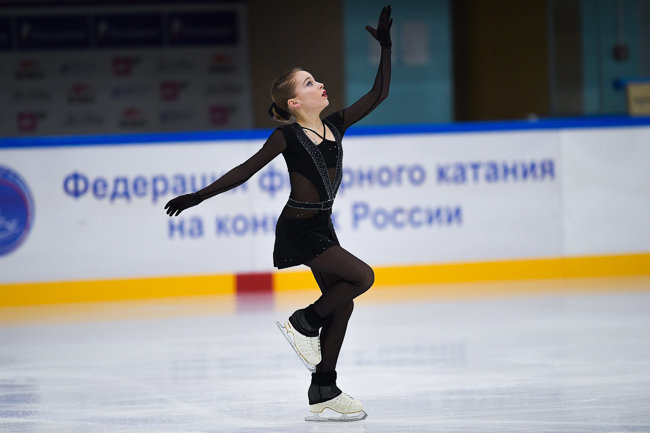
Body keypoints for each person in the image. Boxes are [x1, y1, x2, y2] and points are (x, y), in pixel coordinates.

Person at [165, 5, 392, 422]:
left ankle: (324, 388)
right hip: (299, 229)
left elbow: (379, 94)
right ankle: (302, 322)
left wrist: (387, 48)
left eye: (316, 79)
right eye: (310, 82)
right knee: (362, 277)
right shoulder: (285, 135)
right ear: (294, 100)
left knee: (344, 304)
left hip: (322, 224)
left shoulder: (336, 125)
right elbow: (245, 170)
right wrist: (197, 197)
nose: (320, 83)